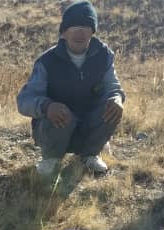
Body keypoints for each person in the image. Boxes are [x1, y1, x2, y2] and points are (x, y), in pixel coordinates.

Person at [17, 1, 125, 178]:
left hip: (89, 123)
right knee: (59, 111)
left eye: (85, 27)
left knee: (111, 107)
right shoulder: (47, 61)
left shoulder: (104, 56)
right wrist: (46, 106)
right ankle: (51, 159)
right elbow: (24, 100)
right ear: (64, 32)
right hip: (56, 127)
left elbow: (113, 87)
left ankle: (90, 154)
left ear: (92, 31)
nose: (79, 33)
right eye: (73, 27)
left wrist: (117, 99)